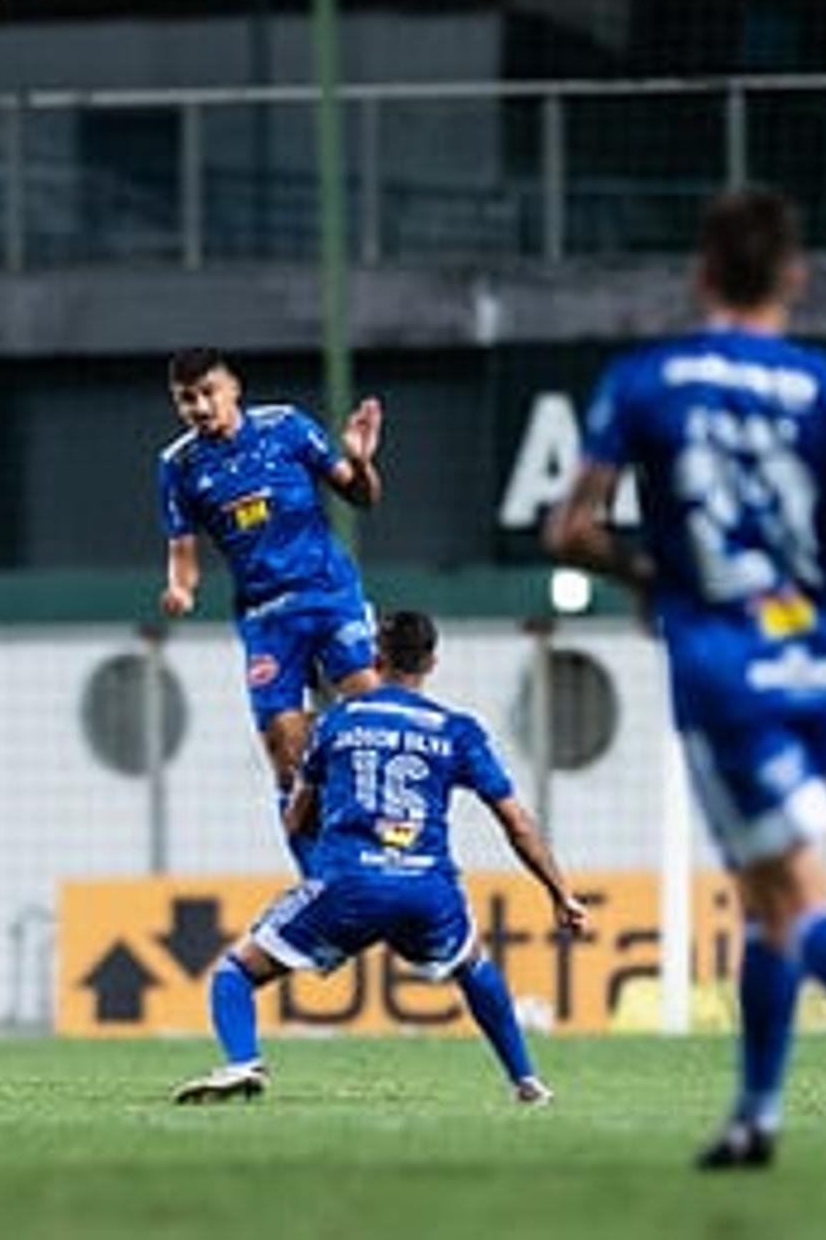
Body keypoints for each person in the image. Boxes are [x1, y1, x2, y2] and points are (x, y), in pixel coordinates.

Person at [543, 187, 826, 1169]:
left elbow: (571, 528)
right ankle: (757, 1115)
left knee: (791, 901)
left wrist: (647, 571)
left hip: (723, 661)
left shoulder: (645, 380)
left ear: (701, 275)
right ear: (793, 277)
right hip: (820, 659)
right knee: (770, 899)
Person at [171, 610, 588, 1106]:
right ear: (432, 661)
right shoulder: (458, 730)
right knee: (474, 965)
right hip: (426, 889)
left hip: (348, 886)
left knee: (235, 973)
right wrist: (560, 893)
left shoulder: (336, 722)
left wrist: (293, 808)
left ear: (375, 657)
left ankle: (243, 1062)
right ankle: (526, 1081)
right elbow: (517, 822)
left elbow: (297, 821)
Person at [157, 347, 384, 872]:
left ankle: (387, 844)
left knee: (373, 713)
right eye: (186, 399)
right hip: (266, 617)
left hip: (330, 596)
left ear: (233, 387)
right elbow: (182, 555)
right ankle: (321, 876)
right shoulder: (178, 467)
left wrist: (363, 462)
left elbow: (361, 497)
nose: (199, 407)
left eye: (208, 392)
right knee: (286, 752)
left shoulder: (286, 426)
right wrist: (181, 590)